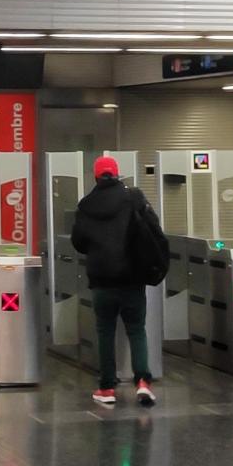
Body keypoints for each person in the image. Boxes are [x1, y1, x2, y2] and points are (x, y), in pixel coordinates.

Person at [71, 156, 166, 406]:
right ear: (117, 174)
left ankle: (107, 388)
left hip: (101, 279)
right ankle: (143, 382)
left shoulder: (86, 205)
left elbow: (78, 243)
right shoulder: (133, 198)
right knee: (136, 329)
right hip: (131, 277)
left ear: (95, 175)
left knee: (105, 331)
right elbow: (153, 229)